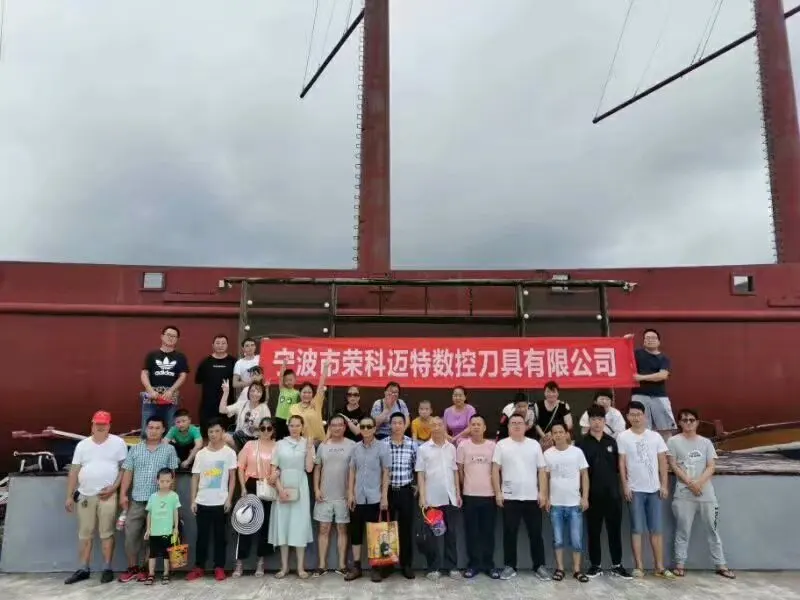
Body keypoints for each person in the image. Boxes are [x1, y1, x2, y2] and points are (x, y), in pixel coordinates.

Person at [667, 408, 734, 579]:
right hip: (683, 494)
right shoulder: (673, 441)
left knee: (713, 529)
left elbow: (711, 466)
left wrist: (699, 483)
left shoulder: (706, 443)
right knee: (682, 530)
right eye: (684, 420)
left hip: (706, 494)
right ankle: (680, 564)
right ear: (679, 423)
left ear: (697, 422)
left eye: (691, 420)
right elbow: (673, 465)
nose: (688, 423)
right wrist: (690, 483)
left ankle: (721, 564)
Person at [64, 410, 128, 585]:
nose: (100, 427)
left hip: (108, 495)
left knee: (107, 532)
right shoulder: (82, 445)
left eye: (103, 424)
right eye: (97, 424)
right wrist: (69, 496)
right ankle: (83, 568)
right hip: (85, 494)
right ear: (92, 425)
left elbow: (124, 469)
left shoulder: (118, 443)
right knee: (85, 533)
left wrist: (114, 488)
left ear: (109, 426)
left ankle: (107, 568)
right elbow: (74, 470)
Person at [118, 416, 179, 583]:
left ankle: (146, 569)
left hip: (160, 503)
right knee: (131, 535)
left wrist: (171, 500)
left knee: (152, 538)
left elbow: (173, 475)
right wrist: (123, 494)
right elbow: (128, 472)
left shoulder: (169, 450)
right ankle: (132, 568)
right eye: (151, 427)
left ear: (163, 430)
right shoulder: (135, 449)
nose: (153, 431)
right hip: (138, 500)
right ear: (146, 429)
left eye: (157, 428)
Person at [618, 401, 674, 579]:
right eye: (632, 415)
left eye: (638, 414)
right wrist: (625, 485)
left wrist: (664, 485)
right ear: (627, 417)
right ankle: (639, 566)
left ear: (645, 416)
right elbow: (622, 463)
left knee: (656, 528)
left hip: (654, 490)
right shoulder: (623, 437)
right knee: (637, 528)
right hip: (635, 490)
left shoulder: (655, 437)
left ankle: (659, 566)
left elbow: (662, 461)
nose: (635, 418)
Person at [491, 412, 549, 581]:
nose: (516, 425)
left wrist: (543, 493)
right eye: (513, 423)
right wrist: (498, 493)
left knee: (536, 533)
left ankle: (539, 566)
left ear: (526, 426)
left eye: (520, 423)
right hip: (510, 497)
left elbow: (542, 470)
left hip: (532, 497)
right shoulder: (501, 445)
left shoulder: (534, 445)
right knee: (509, 533)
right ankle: (510, 566)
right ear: (508, 427)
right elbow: (495, 470)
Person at [577, 405, 631, 579]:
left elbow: (619, 468)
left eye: (600, 419)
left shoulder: (612, 442)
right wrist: (583, 495)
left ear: (605, 421)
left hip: (613, 495)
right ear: (589, 421)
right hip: (592, 495)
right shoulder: (581, 444)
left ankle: (617, 565)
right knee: (593, 532)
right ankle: (595, 565)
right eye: (593, 419)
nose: (597, 423)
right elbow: (580, 472)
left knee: (614, 531)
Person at [186, 419, 237, 582]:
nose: (214, 434)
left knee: (220, 537)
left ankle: (219, 567)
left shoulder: (229, 453)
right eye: (210, 432)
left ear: (223, 432)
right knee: (202, 536)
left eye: (217, 431)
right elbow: (195, 477)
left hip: (221, 502)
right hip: (202, 501)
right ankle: (199, 567)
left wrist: (229, 499)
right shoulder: (201, 454)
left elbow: (232, 478)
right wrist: (193, 500)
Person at [268, 414, 316, 578]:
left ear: (302, 427)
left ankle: (301, 568)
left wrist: (309, 448)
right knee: (283, 524)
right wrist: (280, 489)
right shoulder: (279, 444)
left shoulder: (307, 443)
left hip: (300, 485)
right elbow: (274, 469)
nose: (294, 428)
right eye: (292, 425)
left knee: (299, 525)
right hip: (282, 484)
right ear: (287, 427)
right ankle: (284, 567)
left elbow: (309, 468)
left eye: (297, 425)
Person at [344, 415, 390, 583]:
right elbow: (352, 471)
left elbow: (386, 472)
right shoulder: (355, 448)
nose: (365, 429)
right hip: (357, 497)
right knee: (356, 533)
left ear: (374, 428)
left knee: (375, 534)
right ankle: (356, 567)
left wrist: (384, 496)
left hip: (375, 497)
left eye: (368, 426)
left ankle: (376, 568)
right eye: (362, 426)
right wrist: (350, 493)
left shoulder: (382, 447)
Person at [416, 416, 462, 581]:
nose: (436, 427)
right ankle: (433, 567)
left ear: (444, 427)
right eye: (433, 425)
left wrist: (457, 493)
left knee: (451, 533)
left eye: (439, 424)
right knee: (433, 535)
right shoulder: (423, 449)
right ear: (429, 428)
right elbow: (420, 474)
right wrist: (422, 496)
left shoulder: (451, 448)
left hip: (450, 497)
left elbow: (455, 471)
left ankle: (452, 567)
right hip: (431, 499)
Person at [544, 423, 589, 582]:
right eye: (555, 432)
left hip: (574, 503)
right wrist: (546, 497)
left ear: (566, 434)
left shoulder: (577, 452)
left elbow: (584, 475)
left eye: (561, 432)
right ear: (551, 435)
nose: (558, 435)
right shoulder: (547, 454)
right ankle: (560, 569)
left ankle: (577, 570)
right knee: (558, 539)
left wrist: (585, 497)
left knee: (576, 540)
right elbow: (545, 478)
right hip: (556, 504)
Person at [234, 417, 278, 577]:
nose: (266, 431)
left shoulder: (277, 446)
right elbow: (240, 467)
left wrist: (276, 473)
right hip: (251, 484)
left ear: (273, 430)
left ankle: (261, 562)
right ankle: (240, 563)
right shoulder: (250, 445)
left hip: (268, 486)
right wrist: (243, 487)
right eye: (263, 428)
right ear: (258, 429)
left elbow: (281, 466)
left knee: (265, 525)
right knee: (245, 523)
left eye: (269, 428)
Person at [313, 414, 356, 575]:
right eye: (334, 425)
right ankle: (321, 565)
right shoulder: (323, 446)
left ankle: (342, 565)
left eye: (340, 425)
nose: (337, 428)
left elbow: (354, 470)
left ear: (344, 427)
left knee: (342, 529)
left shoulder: (352, 445)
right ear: (329, 427)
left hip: (343, 495)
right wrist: (316, 489)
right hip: (324, 495)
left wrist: (351, 492)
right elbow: (317, 468)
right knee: (323, 529)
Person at [456, 414, 496, 579]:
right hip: (470, 495)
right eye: (473, 424)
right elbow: (459, 471)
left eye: (479, 424)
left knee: (488, 532)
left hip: (489, 495)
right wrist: (463, 488)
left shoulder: (492, 446)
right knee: (471, 532)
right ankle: (473, 565)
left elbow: (496, 470)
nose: (476, 427)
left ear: (484, 427)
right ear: (469, 428)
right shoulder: (463, 446)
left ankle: (489, 565)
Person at [383, 412, 417, 580]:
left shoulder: (412, 445)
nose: (397, 426)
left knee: (405, 529)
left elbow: (417, 467)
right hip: (387, 491)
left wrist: (416, 485)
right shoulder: (383, 444)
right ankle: (387, 565)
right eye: (394, 423)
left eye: (400, 423)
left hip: (405, 491)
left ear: (405, 425)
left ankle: (406, 564)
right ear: (390, 425)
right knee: (386, 529)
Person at [140, 326, 189, 437]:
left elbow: (183, 376)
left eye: (174, 336)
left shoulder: (180, 357)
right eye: (168, 335)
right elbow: (144, 373)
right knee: (147, 429)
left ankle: (168, 448)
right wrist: (150, 390)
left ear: (177, 339)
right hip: (152, 395)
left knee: (171, 429)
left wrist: (171, 391)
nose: (171, 338)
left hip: (170, 395)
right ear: (162, 336)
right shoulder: (152, 355)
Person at [627, 329, 676, 441]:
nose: (650, 340)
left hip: (659, 396)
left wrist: (641, 377)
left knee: (665, 428)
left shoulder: (664, 358)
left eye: (653, 338)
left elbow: (662, 375)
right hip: (639, 395)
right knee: (641, 427)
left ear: (659, 341)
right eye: (647, 338)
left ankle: (666, 451)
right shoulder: (637, 354)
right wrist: (626, 341)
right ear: (644, 341)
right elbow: (623, 354)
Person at [143, 468, 181, 585]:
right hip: (154, 531)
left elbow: (175, 512)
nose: (165, 484)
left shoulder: (174, 496)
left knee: (166, 554)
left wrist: (176, 528)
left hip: (167, 531)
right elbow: (149, 513)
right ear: (157, 481)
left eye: (167, 481)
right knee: (152, 554)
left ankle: (166, 573)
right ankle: (151, 574)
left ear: (172, 481)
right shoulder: (153, 497)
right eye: (162, 481)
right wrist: (148, 529)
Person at [194, 334, 236, 432]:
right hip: (208, 406)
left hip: (227, 405)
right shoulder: (205, 362)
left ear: (227, 345)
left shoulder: (234, 362)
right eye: (218, 343)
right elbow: (198, 380)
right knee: (208, 433)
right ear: (213, 345)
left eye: (223, 343)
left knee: (226, 434)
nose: (220, 345)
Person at [219, 379, 271, 451]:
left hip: (255, 441)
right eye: (252, 391)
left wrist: (256, 428)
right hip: (239, 439)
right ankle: (237, 454)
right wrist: (226, 392)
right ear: (248, 392)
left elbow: (268, 429)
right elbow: (222, 410)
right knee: (224, 437)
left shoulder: (264, 408)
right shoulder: (242, 404)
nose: (255, 394)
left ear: (262, 394)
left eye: (258, 391)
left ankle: (243, 454)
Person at [289, 364, 328, 444]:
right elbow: (291, 426)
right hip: (301, 443)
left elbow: (321, 386)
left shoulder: (316, 403)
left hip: (318, 442)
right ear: (300, 393)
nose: (306, 395)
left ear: (313, 394)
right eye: (304, 392)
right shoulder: (293, 408)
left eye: (309, 392)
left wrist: (325, 368)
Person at [532, 381, 573, 450]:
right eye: (548, 392)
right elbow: (536, 424)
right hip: (543, 437)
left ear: (558, 393)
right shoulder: (538, 405)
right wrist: (544, 436)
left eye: (553, 392)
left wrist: (553, 433)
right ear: (544, 393)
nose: (551, 394)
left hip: (559, 435)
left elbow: (569, 424)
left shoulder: (563, 405)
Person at [274, 361, 300, 439]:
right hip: (279, 417)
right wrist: (283, 366)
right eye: (286, 380)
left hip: (289, 419)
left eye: (290, 380)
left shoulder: (297, 393)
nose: (288, 382)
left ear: (295, 380)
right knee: (278, 438)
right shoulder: (282, 389)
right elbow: (280, 376)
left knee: (289, 437)